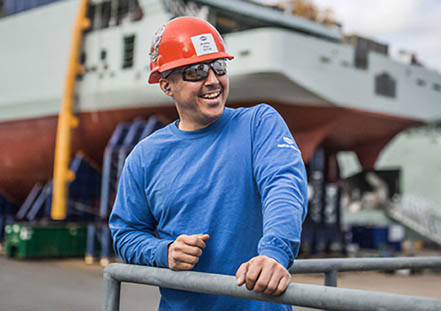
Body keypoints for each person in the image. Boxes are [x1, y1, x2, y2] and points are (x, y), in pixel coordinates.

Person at [109, 16, 308, 311]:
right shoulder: (144, 157)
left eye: (219, 67)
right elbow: (125, 233)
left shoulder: (259, 124)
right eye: (197, 71)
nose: (213, 80)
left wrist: (275, 253)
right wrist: (164, 252)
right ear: (166, 85)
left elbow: (284, 184)